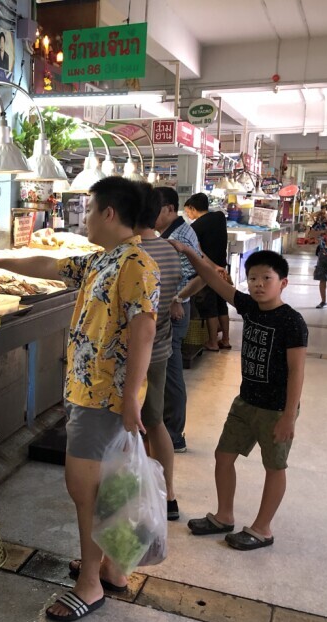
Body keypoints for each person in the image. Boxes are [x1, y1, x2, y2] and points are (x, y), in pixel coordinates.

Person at [0, 177, 160, 622]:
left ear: (109, 213)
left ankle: (89, 584)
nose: (86, 217)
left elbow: (144, 330)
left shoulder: (135, 263)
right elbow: (50, 265)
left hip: (104, 398)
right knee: (108, 485)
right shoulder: (104, 260)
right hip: (89, 392)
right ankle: (112, 568)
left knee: (85, 489)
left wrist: (131, 398)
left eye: (90, 209)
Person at [168, 246, 307, 551]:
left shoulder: (292, 321)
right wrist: (191, 253)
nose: (258, 283)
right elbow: (213, 279)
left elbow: (297, 371)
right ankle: (224, 515)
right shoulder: (249, 306)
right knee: (224, 456)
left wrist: (288, 416)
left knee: (274, 466)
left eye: (266, 278)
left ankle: (263, 528)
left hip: (276, 409)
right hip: (245, 402)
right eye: (253, 277)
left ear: (282, 282)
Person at [136, 196, 183, 521]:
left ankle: (132, 496)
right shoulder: (170, 249)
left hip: (132, 354)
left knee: (124, 425)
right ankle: (168, 495)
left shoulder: (131, 254)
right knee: (154, 422)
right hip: (160, 349)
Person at [154, 187, 204, 455]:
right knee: (164, 374)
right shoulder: (173, 232)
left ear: (170, 209)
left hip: (175, 315)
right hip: (168, 312)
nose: (151, 214)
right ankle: (163, 428)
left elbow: (202, 274)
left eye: (156, 209)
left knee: (172, 375)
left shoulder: (179, 235)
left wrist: (177, 298)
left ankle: (174, 435)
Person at [184, 193, 230, 351]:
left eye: (188, 212)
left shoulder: (195, 227)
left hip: (208, 270)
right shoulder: (219, 217)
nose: (188, 215)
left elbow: (198, 251)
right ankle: (225, 339)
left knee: (210, 307)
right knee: (221, 304)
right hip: (222, 266)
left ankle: (212, 342)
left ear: (192, 208)